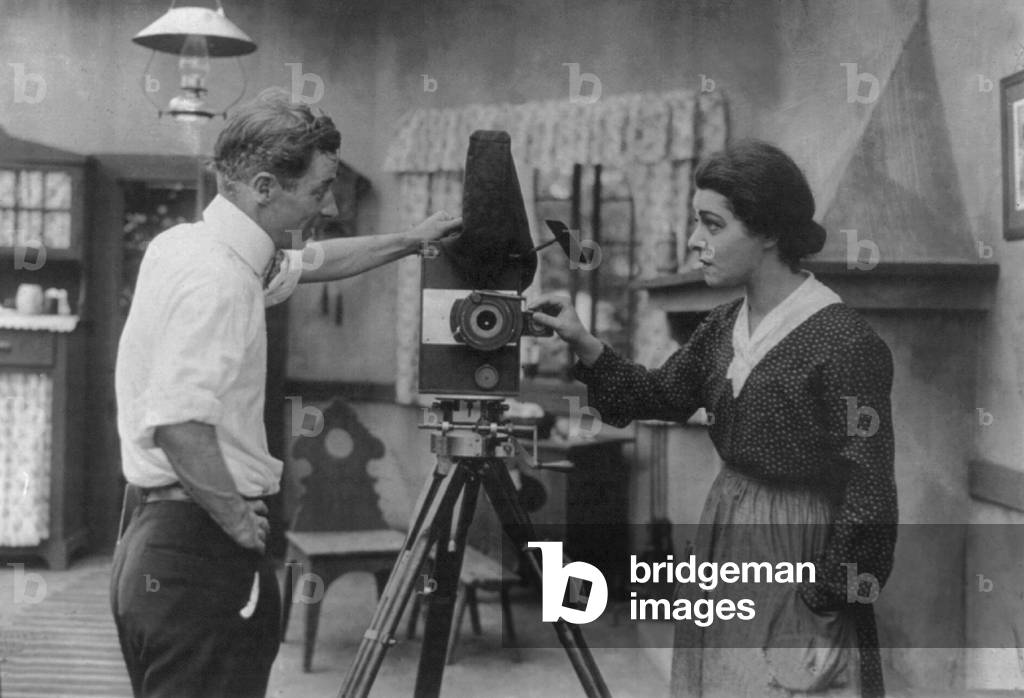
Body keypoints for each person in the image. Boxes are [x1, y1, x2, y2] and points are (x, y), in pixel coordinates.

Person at [110, 91, 460, 697]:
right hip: (200, 551)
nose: (328, 204)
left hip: (155, 538)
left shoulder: (191, 246)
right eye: (320, 189)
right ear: (266, 186)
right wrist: (238, 524)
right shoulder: (219, 279)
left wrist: (411, 239)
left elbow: (314, 261)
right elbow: (178, 422)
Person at [531, 139, 897, 698]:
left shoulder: (844, 341)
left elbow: (869, 491)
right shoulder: (723, 326)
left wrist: (825, 600)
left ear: (769, 231)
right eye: (695, 223)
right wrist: (583, 342)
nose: (696, 242)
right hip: (727, 530)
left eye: (712, 224)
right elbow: (652, 395)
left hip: (799, 551)